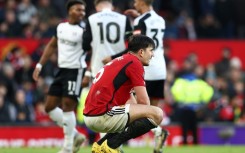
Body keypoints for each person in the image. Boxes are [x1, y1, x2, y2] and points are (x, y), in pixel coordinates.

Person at [83, 35, 164, 153]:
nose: (153, 55)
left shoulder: (122, 61)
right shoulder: (134, 63)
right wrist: (145, 122)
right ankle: (111, 145)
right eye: (151, 50)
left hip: (91, 115)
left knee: (138, 116)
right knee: (157, 113)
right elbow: (144, 103)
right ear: (141, 52)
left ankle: (100, 145)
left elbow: (132, 104)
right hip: (102, 113)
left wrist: (138, 118)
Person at [32, 0, 87, 153]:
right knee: (49, 107)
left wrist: (88, 73)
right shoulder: (61, 27)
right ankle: (75, 134)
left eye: (83, 10)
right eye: (78, 10)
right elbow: (51, 45)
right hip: (62, 70)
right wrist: (39, 65)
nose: (81, 13)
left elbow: (93, 49)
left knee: (68, 106)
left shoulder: (84, 30)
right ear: (70, 11)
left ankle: (68, 147)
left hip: (76, 70)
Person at [125, 0, 169, 152]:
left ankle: (156, 132)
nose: (134, 3)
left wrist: (133, 25)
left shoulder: (140, 21)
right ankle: (158, 135)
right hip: (160, 69)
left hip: (146, 68)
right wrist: (139, 18)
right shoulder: (160, 19)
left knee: (133, 106)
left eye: (136, 1)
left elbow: (135, 43)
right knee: (152, 110)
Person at [82, 0, 132, 79]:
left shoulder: (91, 19)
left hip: (99, 67)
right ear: (111, 6)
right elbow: (132, 44)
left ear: (97, 7)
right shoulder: (124, 18)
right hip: (120, 67)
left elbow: (85, 46)